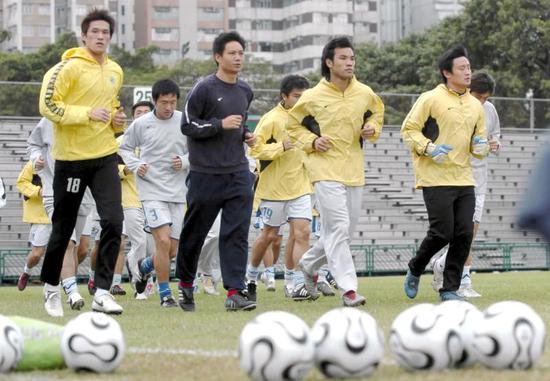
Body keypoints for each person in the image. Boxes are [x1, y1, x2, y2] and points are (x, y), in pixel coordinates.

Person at [38, 8, 126, 315]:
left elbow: (112, 109)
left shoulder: (115, 70)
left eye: (106, 33)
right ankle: (51, 288)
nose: (101, 37)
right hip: (71, 160)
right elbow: (48, 105)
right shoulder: (67, 68)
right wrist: (85, 114)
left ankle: (102, 292)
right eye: (96, 32)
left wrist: (117, 121)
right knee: (64, 228)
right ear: (84, 35)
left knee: (114, 221)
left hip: (104, 156)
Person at [287, 37, 384, 307]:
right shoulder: (311, 97)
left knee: (343, 233)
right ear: (329, 62)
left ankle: (307, 265)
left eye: (352, 58)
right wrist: (312, 142)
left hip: (353, 169)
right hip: (324, 168)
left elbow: (377, 112)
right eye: (343, 58)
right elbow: (292, 126)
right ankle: (349, 290)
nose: (349, 62)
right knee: (339, 228)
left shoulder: (364, 92)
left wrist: (372, 128)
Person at [401, 45, 489, 302]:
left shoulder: (475, 105)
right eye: (462, 68)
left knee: (464, 233)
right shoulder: (430, 98)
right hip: (435, 177)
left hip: (464, 177)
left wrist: (481, 147)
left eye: (469, 67)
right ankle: (416, 267)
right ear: (446, 72)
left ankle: (449, 288)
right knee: (442, 232)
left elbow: (479, 142)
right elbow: (408, 130)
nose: (468, 72)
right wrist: (429, 148)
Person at [178, 31, 256, 312]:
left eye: (241, 53)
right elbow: (187, 126)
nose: (238, 58)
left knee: (236, 233)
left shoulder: (245, 90)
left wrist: (246, 134)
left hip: (237, 172)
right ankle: (186, 284)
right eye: (232, 53)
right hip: (205, 174)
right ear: (218, 57)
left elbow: (240, 123)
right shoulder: (203, 89)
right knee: (194, 233)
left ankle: (235, 291)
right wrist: (219, 125)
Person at [431, 72, 501, 298]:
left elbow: (496, 135)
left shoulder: (489, 110)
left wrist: (494, 143)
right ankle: (462, 279)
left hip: (479, 179)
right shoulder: (456, 108)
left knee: (469, 233)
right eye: (479, 96)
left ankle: (444, 265)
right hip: (457, 176)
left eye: (485, 98)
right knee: (462, 232)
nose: (481, 102)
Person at [119, 79, 188, 308]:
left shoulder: (183, 121)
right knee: (163, 241)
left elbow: (196, 150)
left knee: (171, 250)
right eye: (164, 102)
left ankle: (142, 267)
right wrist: (137, 164)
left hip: (178, 192)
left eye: (172, 102)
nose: (168, 107)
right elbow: (124, 147)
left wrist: (185, 161)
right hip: (151, 191)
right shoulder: (142, 124)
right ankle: (165, 294)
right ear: (155, 101)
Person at [246, 74, 314, 302]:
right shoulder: (271, 119)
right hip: (273, 190)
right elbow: (255, 150)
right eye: (296, 96)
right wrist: (280, 148)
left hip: (301, 187)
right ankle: (251, 276)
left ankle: (295, 283)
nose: (301, 100)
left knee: (302, 232)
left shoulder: (309, 119)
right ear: (284, 96)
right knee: (269, 236)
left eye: (304, 96)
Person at [27, 117, 95, 316]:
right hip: (53, 190)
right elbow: (33, 144)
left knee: (79, 248)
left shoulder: (91, 116)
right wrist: (37, 158)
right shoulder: (49, 119)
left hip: (83, 192)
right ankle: (69, 291)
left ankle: (60, 286)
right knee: (68, 242)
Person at [15, 161, 51, 291]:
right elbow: (21, 183)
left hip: (62, 214)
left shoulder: (65, 160)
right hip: (42, 217)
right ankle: (26, 272)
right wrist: (38, 191)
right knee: (37, 254)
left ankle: (60, 285)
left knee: (66, 251)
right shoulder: (33, 164)